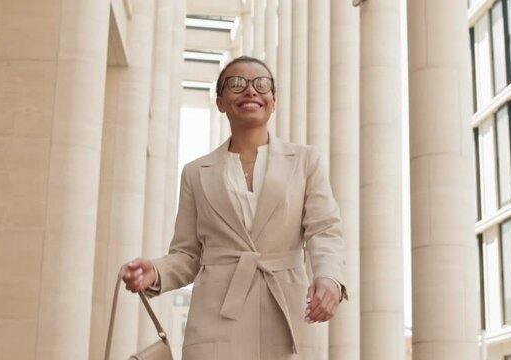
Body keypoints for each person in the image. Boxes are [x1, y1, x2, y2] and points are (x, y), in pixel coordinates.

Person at [120, 56, 347, 359]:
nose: (251, 91)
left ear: (273, 101)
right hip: (215, 318)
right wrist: (155, 271)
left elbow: (324, 229)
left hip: (286, 314)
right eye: (237, 84)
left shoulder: (305, 161)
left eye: (261, 84)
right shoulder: (196, 172)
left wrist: (329, 277)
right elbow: (187, 255)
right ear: (220, 102)